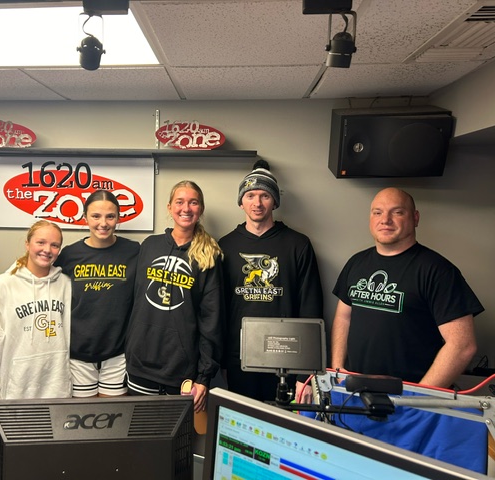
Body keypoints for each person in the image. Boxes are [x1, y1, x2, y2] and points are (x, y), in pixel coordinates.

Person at [331, 187, 484, 388]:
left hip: (411, 402)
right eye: (377, 212)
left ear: (415, 218)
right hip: (354, 392)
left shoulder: (439, 271)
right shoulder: (356, 263)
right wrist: (338, 370)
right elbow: (344, 317)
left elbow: (462, 345)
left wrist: (419, 397)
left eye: (397, 212)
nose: (385, 219)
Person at [219, 160, 323, 403]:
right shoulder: (225, 246)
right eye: (251, 195)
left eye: (265, 195)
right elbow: (219, 309)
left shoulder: (298, 244)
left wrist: (305, 373)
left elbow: (311, 307)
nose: (257, 203)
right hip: (241, 359)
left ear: (275, 200)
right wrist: (223, 360)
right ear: (241, 201)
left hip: (286, 360)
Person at [125, 180, 223, 414]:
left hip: (181, 371)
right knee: (139, 441)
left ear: (201, 209)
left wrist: (203, 376)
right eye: (179, 202)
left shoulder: (209, 255)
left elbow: (212, 319)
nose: (186, 208)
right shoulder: (150, 245)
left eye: (193, 202)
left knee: (176, 446)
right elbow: (134, 302)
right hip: (140, 365)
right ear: (169, 207)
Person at [0, 220, 72, 401]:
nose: (47, 249)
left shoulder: (65, 284)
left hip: (58, 393)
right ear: (27, 243)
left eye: (55, 245)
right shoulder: (1, 285)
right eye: (41, 242)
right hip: (14, 396)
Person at [55, 190, 139, 397]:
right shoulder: (69, 255)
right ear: (85, 218)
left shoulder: (134, 251)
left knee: (112, 421)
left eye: (110, 216)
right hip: (79, 354)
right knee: (84, 421)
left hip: (117, 353)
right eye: (96, 216)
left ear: (118, 218)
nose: (103, 223)